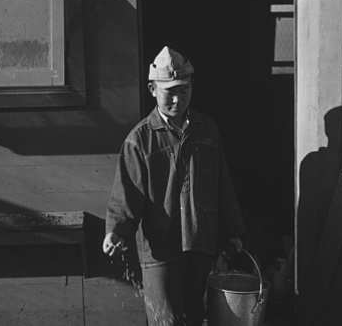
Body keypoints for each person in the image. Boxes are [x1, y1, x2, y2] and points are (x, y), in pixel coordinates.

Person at [103, 46, 245, 326]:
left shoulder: (207, 131)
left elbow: (222, 187)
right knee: (166, 321)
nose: (178, 99)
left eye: (184, 89)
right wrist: (116, 231)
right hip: (160, 251)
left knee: (197, 318)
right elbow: (126, 192)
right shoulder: (140, 140)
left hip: (200, 243)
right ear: (152, 89)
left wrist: (234, 232)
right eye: (170, 92)